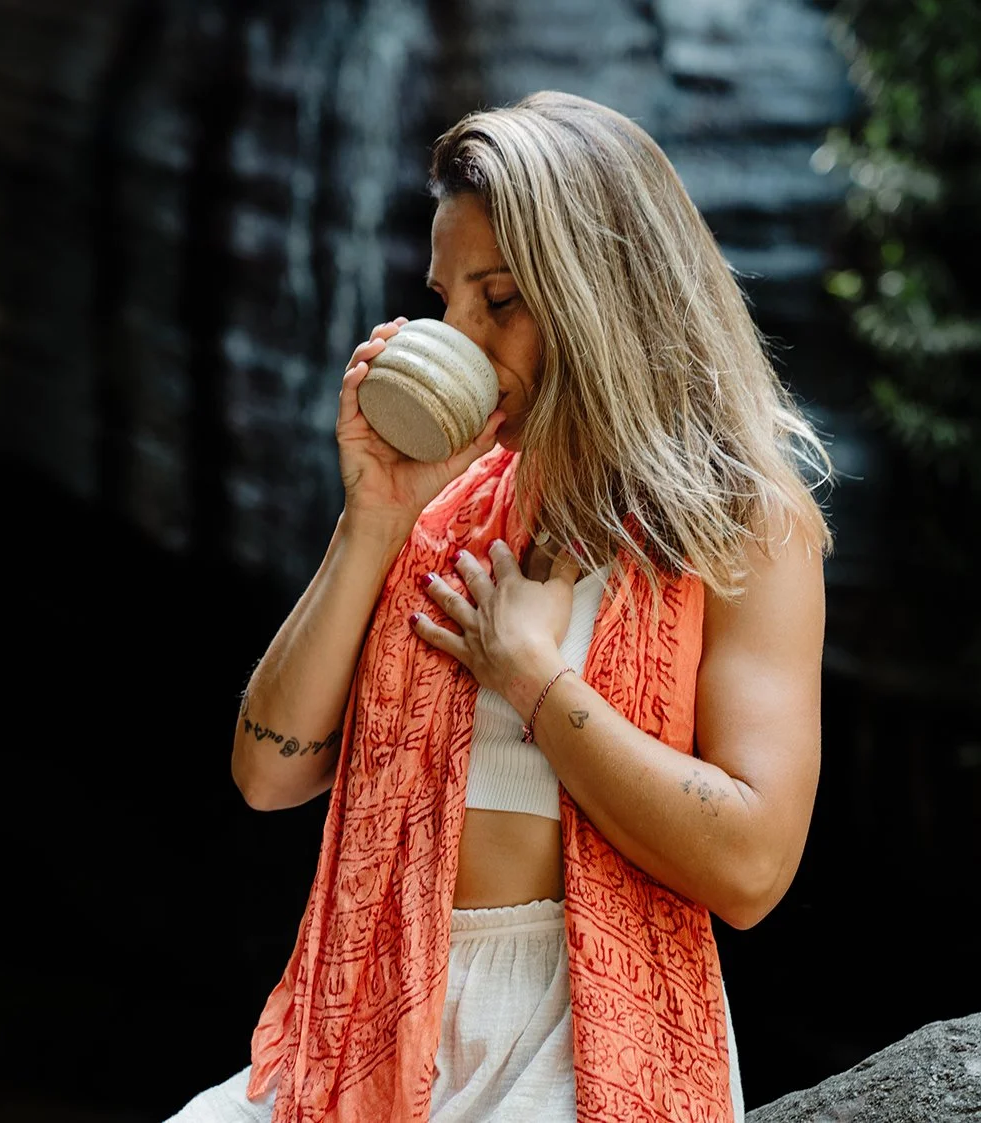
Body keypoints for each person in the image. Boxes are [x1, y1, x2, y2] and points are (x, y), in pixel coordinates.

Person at [167, 90, 830, 1123]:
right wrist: (373, 523)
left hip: (581, 1030)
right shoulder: (445, 502)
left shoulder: (742, 520)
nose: (462, 341)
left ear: (602, 292)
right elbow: (268, 771)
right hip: (371, 1015)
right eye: (448, 302)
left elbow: (753, 865)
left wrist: (534, 678)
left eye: (502, 301)